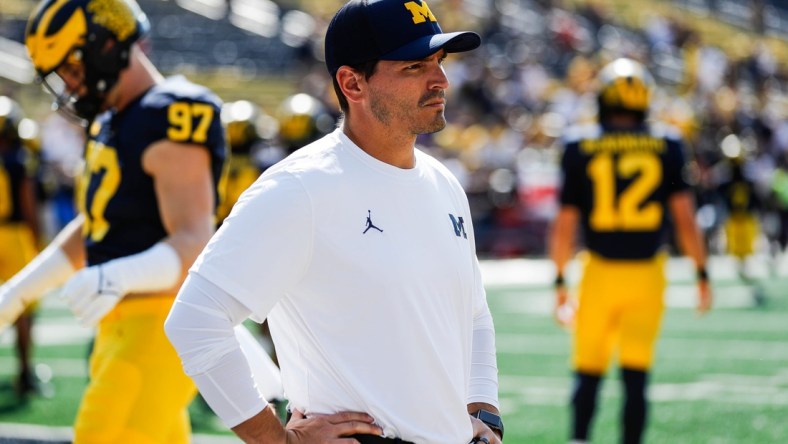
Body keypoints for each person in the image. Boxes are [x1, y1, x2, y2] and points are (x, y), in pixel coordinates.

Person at [164, 0, 503, 443]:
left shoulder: (444, 182)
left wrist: (484, 412)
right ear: (352, 83)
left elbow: (473, 311)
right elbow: (194, 319)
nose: (440, 79)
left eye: (438, 62)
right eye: (414, 66)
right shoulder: (299, 188)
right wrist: (277, 439)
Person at [0, 0, 226, 442]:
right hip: (120, 325)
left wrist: (115, 275)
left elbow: (195, 242)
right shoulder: (114, 118)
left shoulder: (172, 112)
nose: (67, 83)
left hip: (162, 322)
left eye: (71, 66)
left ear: (104, 46)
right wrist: (17, 292)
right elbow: (98, 223)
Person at [548, 58, 712, 444]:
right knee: (636, 376)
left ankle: (579, 439)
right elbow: (686, 220)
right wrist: (702, 273)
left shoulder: (580, 144)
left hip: (599, 274)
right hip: (648, 276)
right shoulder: (668, 143)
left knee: (588, 372)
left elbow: (565, 225)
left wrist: (558, 279)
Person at [0, 96, 43, 398]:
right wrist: (37, 239)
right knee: (23, 308)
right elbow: (29, 207)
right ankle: (25, 373)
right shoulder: (18, 161)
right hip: (15, 235)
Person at [715, 150, 765, 305]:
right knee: (741, 260)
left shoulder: (728, 179)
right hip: (739, 222)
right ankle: (754, 285)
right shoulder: (742, 179)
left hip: (742, 222)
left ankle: (755, 284)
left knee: (746, 259)